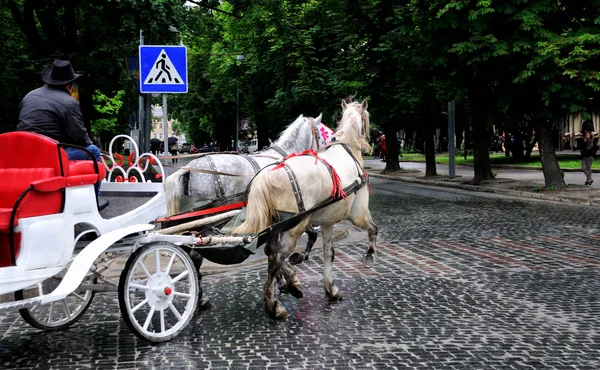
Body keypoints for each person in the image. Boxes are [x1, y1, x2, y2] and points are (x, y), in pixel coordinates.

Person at [17, 60, 108, 210]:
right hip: (50, 154)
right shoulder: (68, 102)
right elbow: (80, 137)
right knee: (93, 151)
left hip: (25, 152)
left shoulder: (29, 96)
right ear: (70, 85)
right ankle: (94, 201)